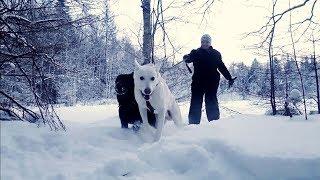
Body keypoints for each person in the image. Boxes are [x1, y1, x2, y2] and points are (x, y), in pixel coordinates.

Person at [183, 34, 236, 124]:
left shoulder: (216, 54)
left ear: (210, 43)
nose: (205, 43)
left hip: (212, 82)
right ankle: (193, 124)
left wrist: (229, 78)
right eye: (203, 42)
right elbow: (189, 58)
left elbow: (221, 67)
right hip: (198, 82)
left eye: (207, 42)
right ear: (201, 42)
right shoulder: (195, 52)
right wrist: (186, 57)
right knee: (195, 101)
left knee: (211, 101)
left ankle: (214, 123)